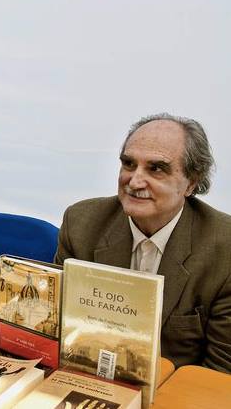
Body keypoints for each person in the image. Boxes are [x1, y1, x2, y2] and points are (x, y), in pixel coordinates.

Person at [55, 113, 231, 373]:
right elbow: (57, 328)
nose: (134, 182)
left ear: (191, 184)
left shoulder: (224, 247)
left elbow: (219, 373)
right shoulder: (81, 223)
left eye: (156, 168)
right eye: (128, 164)